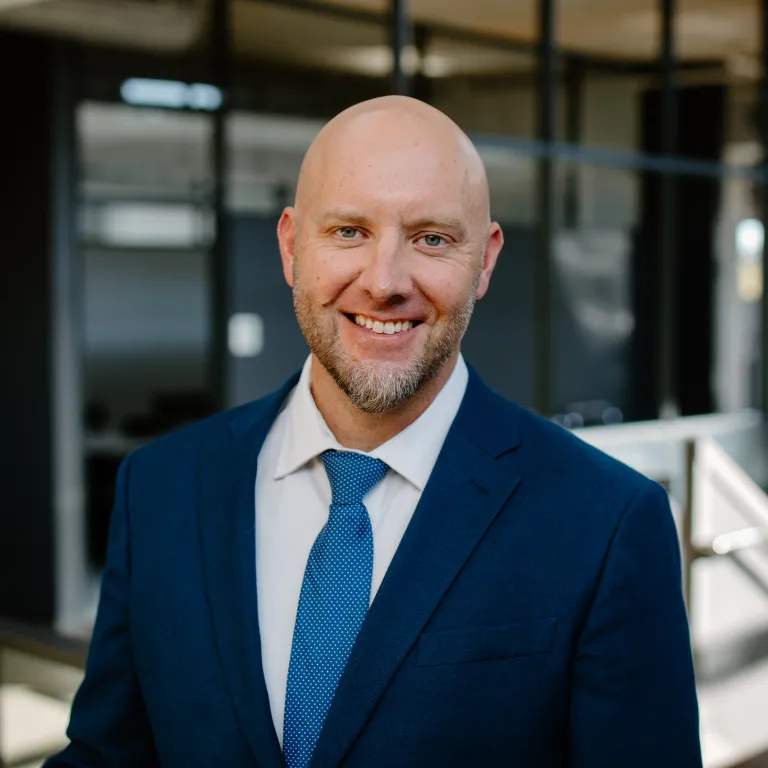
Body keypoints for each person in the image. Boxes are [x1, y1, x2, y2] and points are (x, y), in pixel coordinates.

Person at [47, 96, 702, 768]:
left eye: (432, 239)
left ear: (486, 261)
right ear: (291, 246)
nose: (385, 282)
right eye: (350, 232)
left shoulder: (608, 522)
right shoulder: (162, 488)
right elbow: (109, 757)